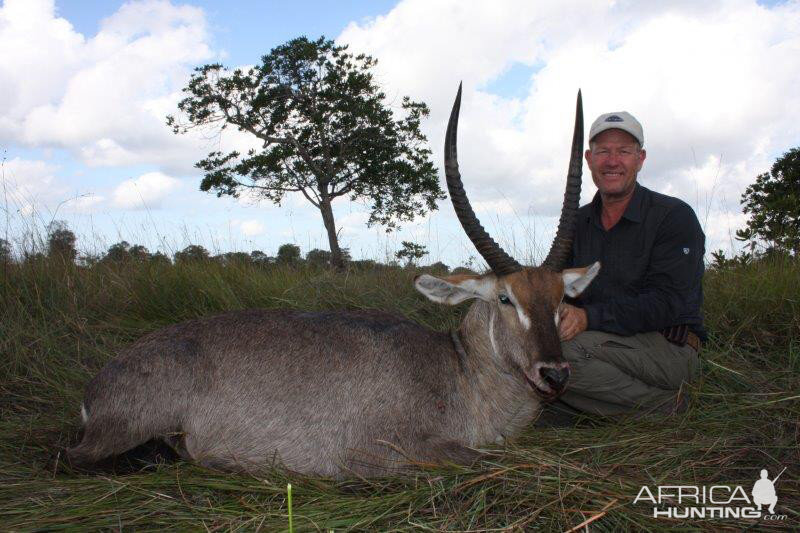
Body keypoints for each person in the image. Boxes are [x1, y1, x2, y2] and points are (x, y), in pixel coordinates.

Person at [542, 110, 706, 423]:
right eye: (603, 151)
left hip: (669, 349)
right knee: (527, 351)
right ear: (589, 159)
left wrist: (588, 317)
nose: (612, 161)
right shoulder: (578, 220)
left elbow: (667, 303)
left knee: (558, 358)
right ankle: (595, 411)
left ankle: (671, 409)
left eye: (624, 151)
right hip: (603, 346)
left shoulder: (673, 216)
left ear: (640, 158)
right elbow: (554, 285)